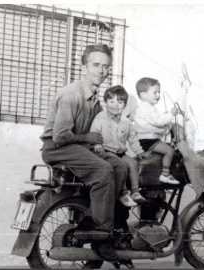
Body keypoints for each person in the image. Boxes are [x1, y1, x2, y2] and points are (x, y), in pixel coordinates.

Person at [40, 44, 127, 262]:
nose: (101, 70)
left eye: (105, 66)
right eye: (95, 65)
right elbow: (60, 136)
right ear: (83, 67)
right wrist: (87, 139)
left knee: (120, 166)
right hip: (58, 149)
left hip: (78, 148)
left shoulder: (96, 99)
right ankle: (101, 236)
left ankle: (94, 219)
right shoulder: (71, 94)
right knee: (104, 170)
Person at [90, 85, 151, 207]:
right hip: (104, 151)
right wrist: (97, 145)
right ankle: (123, 194)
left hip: (119, 152)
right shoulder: (100, 117)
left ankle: (135, 192)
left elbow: (132, 139)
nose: (115, 105)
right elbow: (94, 132)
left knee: (133, 163)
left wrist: (139, 152)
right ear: (106, 102)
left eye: (120, 102)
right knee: (121, 165)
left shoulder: (126, 122)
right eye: (111, 101)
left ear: (125, 104)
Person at [133, 77, 180, 184]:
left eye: (159, 92)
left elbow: (157, 120)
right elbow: (158, 121)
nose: (158, 95)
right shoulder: (146, 107)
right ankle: (165, 175)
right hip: (147, 140)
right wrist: (171, 114)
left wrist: (166, 116)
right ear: (143, 95)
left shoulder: (148, 107)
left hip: (147, 139)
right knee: (170, 151)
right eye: (155, 92)